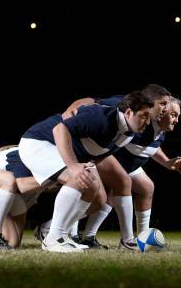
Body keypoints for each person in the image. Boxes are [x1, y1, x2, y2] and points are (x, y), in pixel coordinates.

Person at [19, 91, 154, 253]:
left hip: (59, 148)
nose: (147, 121)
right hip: (38, 142)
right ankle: (52, 239)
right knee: (80, 178)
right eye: (144, 116)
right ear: (129, 112)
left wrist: (86, 167)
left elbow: (96, 152)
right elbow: (59, 129)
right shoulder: (101, 118)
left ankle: (58, 234)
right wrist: (73, 165)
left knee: (96, 193)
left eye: (149, 117)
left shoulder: (128, 132)